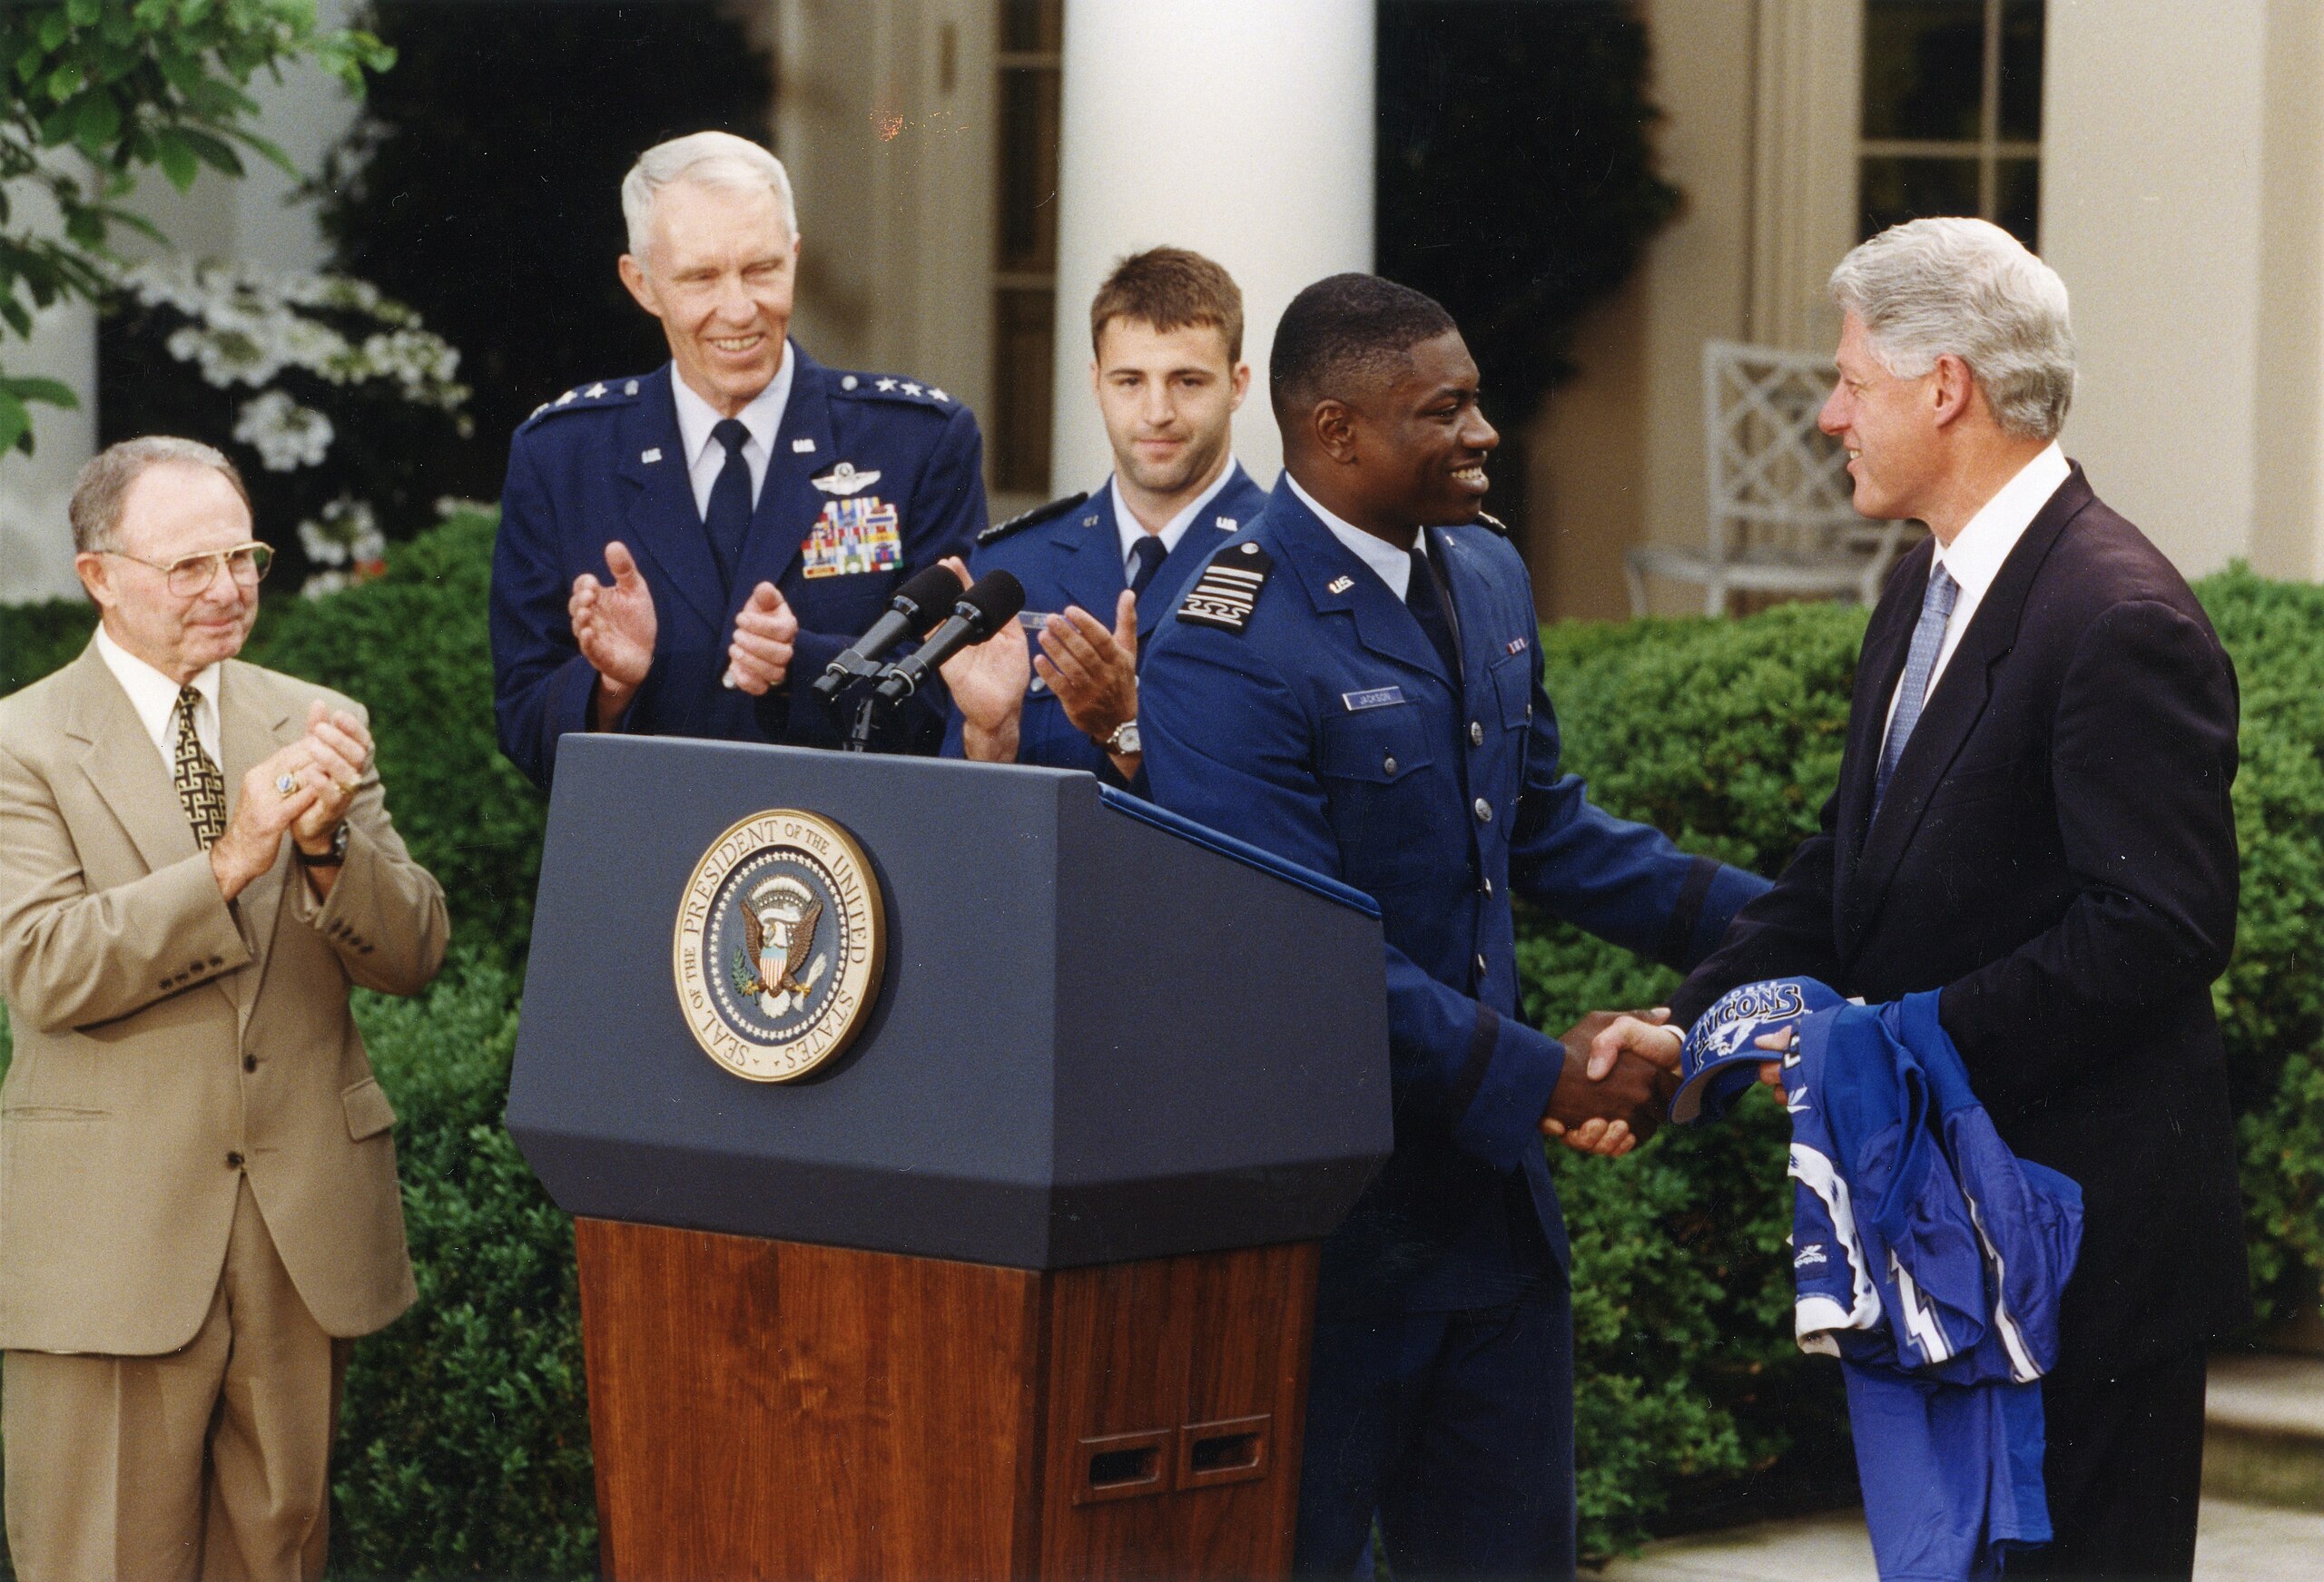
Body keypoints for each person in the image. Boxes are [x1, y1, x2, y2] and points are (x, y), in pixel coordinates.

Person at [1590, 218, 2247, 1582]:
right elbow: (1844, 871)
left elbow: (2159, 930)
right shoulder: (1924, 581)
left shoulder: (2117, 611)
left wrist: (1888, 1046)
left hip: (2085, 1271)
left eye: (1851, 380)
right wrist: (1689, 1020)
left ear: (1944, 385)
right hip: (1953, 1255)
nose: (1829, 411)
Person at [1137, 274, 1768, 1579]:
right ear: (1337, 433)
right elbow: (1300, 947)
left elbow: (1547, 830)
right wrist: (1550, 1077)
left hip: (1486, 1219)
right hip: (1324, 1227)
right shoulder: (1227, 633)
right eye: (1450, 409)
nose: (1485, 433)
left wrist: (1787, 926)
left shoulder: (1484, 573)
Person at [0, 437, 448, 1577]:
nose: (228, 589)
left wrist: (331, 847)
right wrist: (236, 858)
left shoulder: (314, 717)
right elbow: (46, 966)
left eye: (241, 557)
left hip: (298, 1241)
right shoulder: (23, 741)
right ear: (99, 576)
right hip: (111, 1245)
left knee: (278, 1556)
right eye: (188, 566)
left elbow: (415, 956)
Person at [490, 131, 987, 787]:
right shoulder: (562, 457)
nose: (739, 308)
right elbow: (523, 727)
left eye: (761, 269)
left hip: (846, 860)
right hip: (645, 858)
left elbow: (950, 705)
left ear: (795, 257)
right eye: (700, 276)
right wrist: (610, 684)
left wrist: (799, 665)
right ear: (641, 284)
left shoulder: (917, 442)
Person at [942, 247, 1268, 784]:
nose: (1158, 412)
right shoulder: (1015, 568)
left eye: (1188, 381)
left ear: (1237, 385)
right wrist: (990, 739)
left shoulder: (1292, 559)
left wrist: (1127, 730)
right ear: (1095, 382)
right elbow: (959, 814)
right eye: (1130, 381)